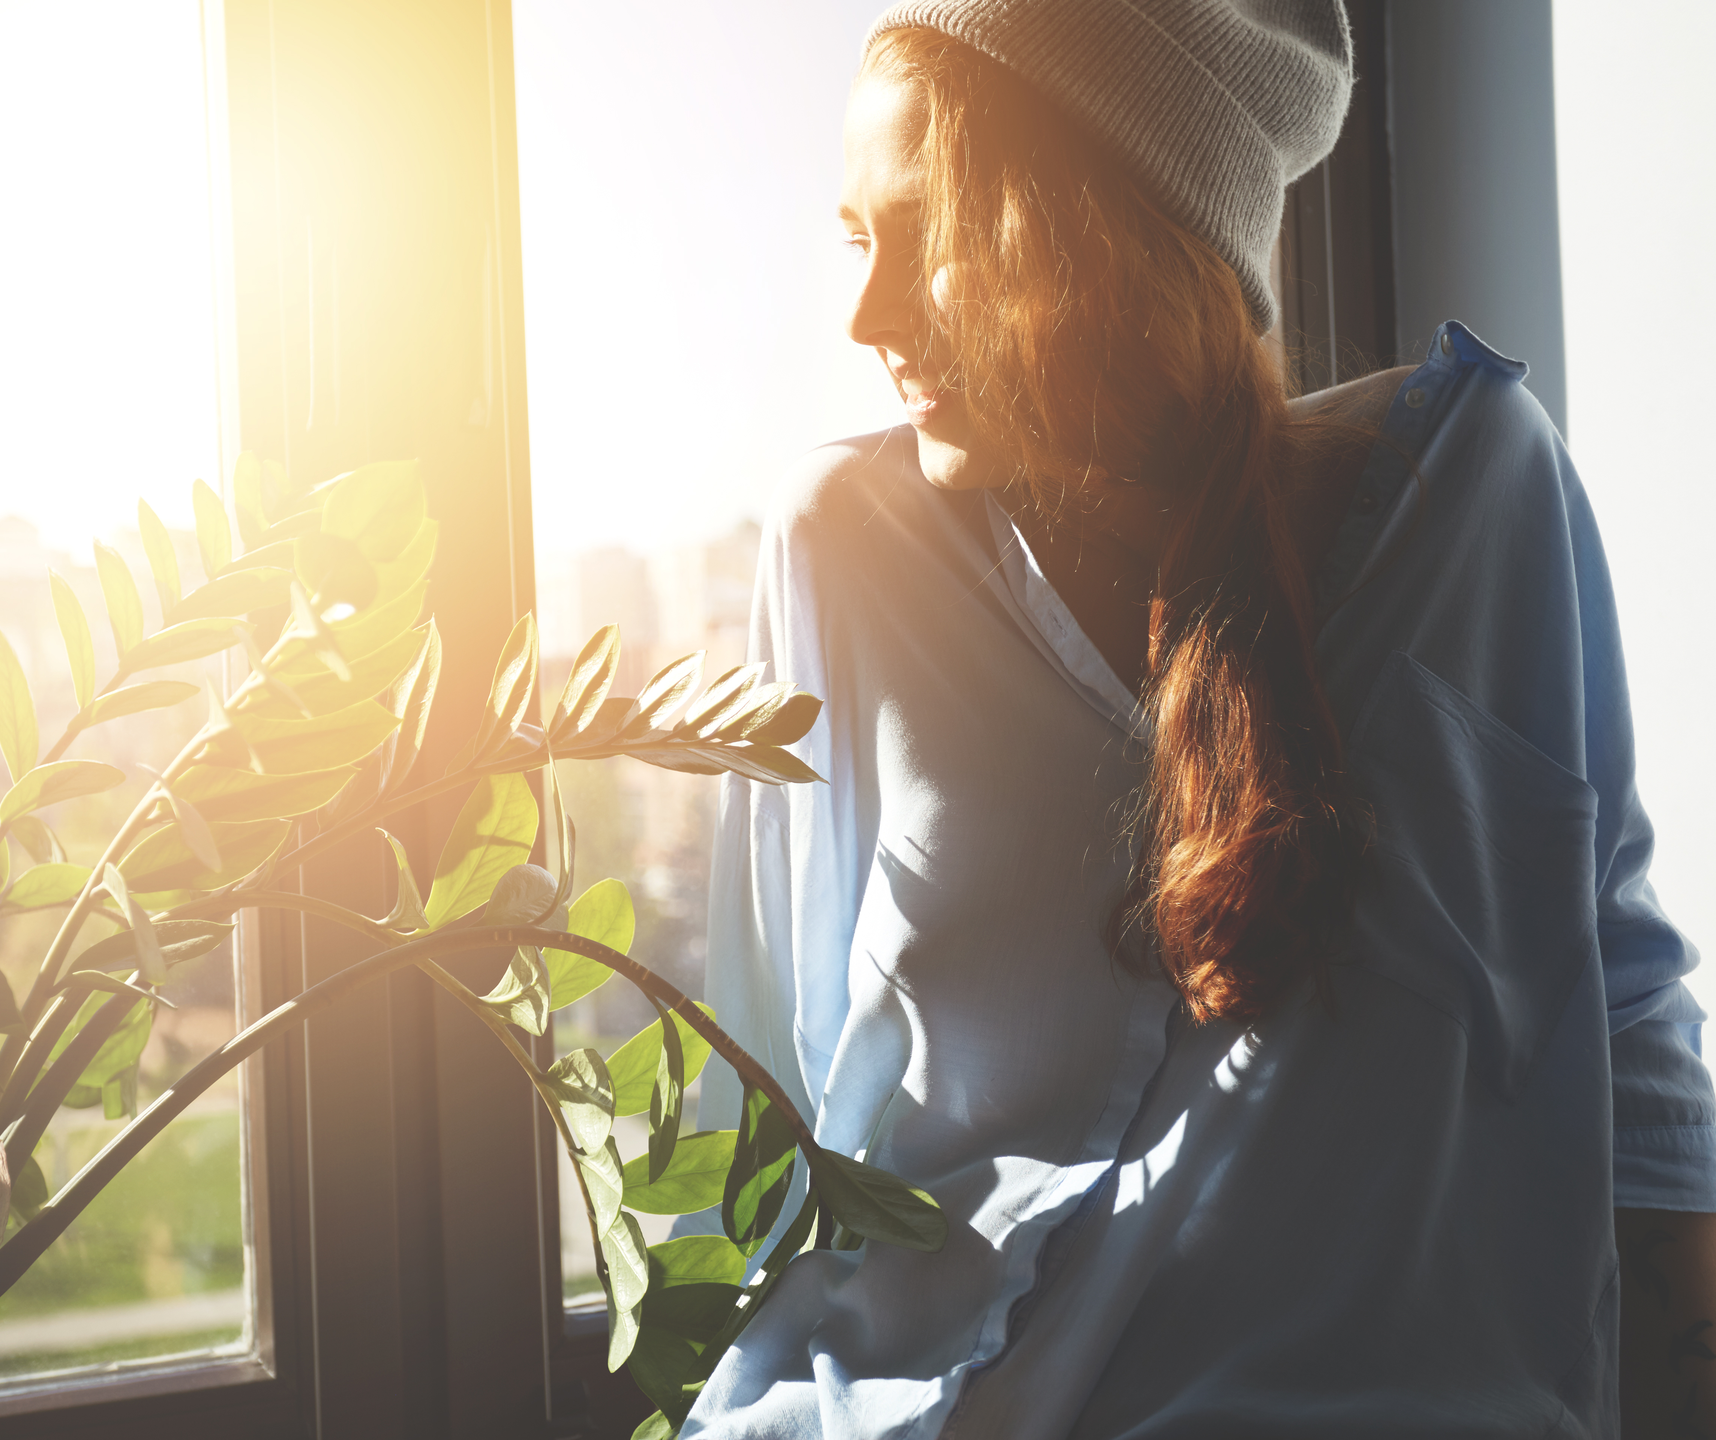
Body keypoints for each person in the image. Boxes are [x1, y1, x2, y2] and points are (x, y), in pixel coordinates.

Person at [678, 2, 1716, 1436]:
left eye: (932, 236)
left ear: (1101, 234)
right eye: (858, 239)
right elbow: (767, 1072)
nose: (867, 316)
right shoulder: (841, 551)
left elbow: (1607, 974)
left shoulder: (1476, 503)